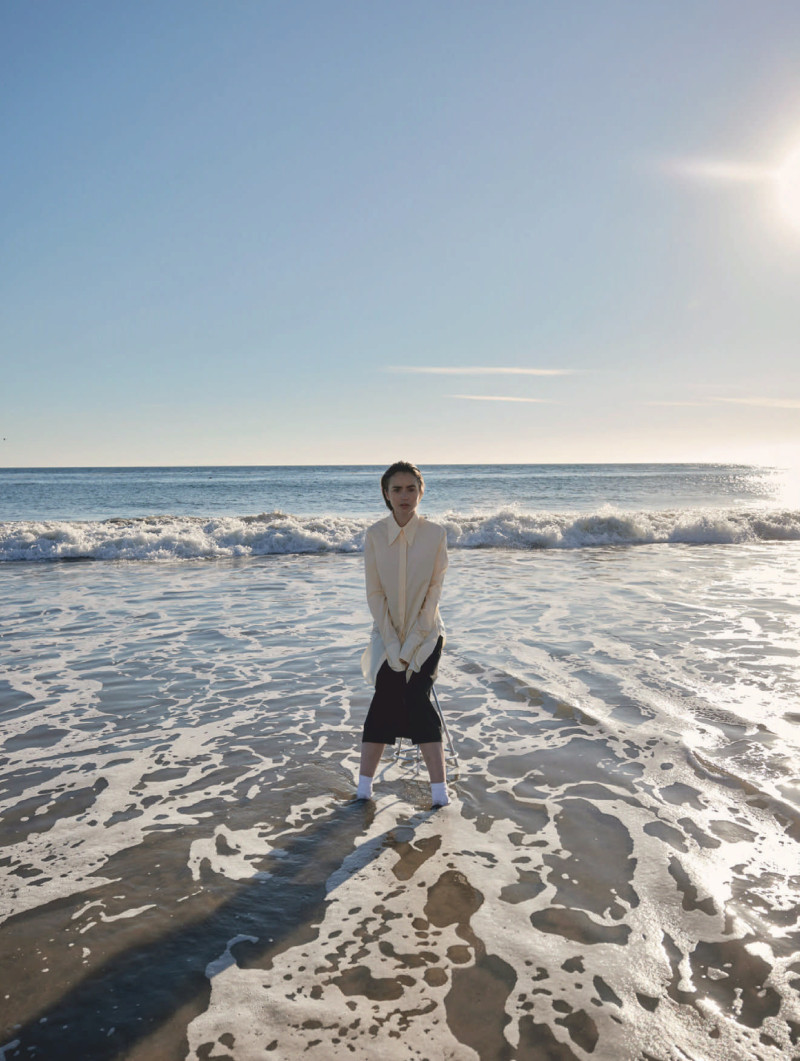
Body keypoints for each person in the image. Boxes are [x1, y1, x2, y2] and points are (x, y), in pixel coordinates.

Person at [357, 461, 451, 807]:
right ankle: (363, 790)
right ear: (386, 494)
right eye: (396, 489)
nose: (404, 496)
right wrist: (394, 644)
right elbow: (374, 594)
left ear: (421, 492)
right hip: (386, 634)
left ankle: (439, 793)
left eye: (411, 488)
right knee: (385, 696)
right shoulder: (375, 535)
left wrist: (411, 645)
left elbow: (433, 596)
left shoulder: (436, 534)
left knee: (414, 696)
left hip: (426, 636)